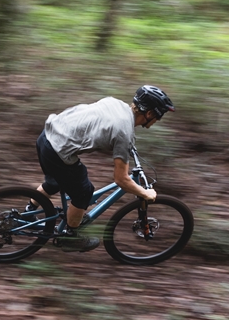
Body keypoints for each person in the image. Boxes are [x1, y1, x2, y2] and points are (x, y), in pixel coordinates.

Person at [27, 85, 175, 252]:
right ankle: (69, 236)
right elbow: (121, 179)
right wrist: (145, 193)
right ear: (149, 113)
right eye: (158, 116)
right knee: (84, 191)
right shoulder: (123, 132)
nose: (157, 121)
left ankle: (30, 209)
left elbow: (101, 125)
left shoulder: (115, 104)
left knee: (55, 181)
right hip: (57, 150)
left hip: (47, 135)